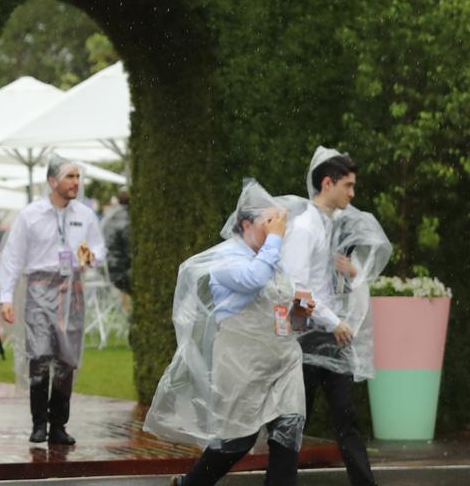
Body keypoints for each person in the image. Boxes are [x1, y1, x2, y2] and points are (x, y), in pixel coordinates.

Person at [145, 180, 312, 486]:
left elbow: (285, 316)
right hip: (242, 367)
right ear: (246, 224)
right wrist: (274, 241)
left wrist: (300, 315)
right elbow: (252, 279)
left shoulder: (274, 261)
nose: (278, 230)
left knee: (288, 432)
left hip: (283, 362)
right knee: (236, 442)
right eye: (269, 223)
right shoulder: (225, 261)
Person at [283, 148, 390, 486]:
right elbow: (297, 289)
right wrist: (332, 323)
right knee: (294, 420)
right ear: (327, 183)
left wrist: (349, 272)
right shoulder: (305, 228)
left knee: (345, 418)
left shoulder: (330, 227)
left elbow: (326, 284)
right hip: (310, 336)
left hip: (330, 335)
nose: (352, 193)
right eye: (348, 185)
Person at [0, 157, 106, 445]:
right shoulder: (31, 215)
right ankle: (39, 423)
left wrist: (88, 257)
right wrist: (6, 297)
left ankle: (59, 424)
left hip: (72, 291)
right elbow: (12, 258)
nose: (76, 182)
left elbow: (98, 247)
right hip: (39, 290)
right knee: (40, 355)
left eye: (78, 176)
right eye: (70, 176)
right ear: (52, 181)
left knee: (67, 359)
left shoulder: (84, 214)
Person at [102, 189, 132, 295]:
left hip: (107, 268)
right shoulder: (127, 218)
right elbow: (130, 251)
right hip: (119, 272)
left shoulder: (112, 214)